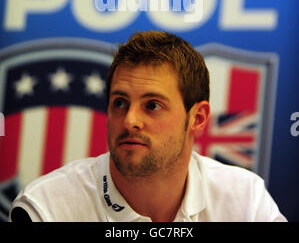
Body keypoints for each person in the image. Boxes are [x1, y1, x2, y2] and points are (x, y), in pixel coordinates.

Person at [9, 31, 287, 222]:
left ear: (198, 118)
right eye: (120, 103)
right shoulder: (48, 206)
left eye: (152, 105)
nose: (130, 120)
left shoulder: (245, 199)